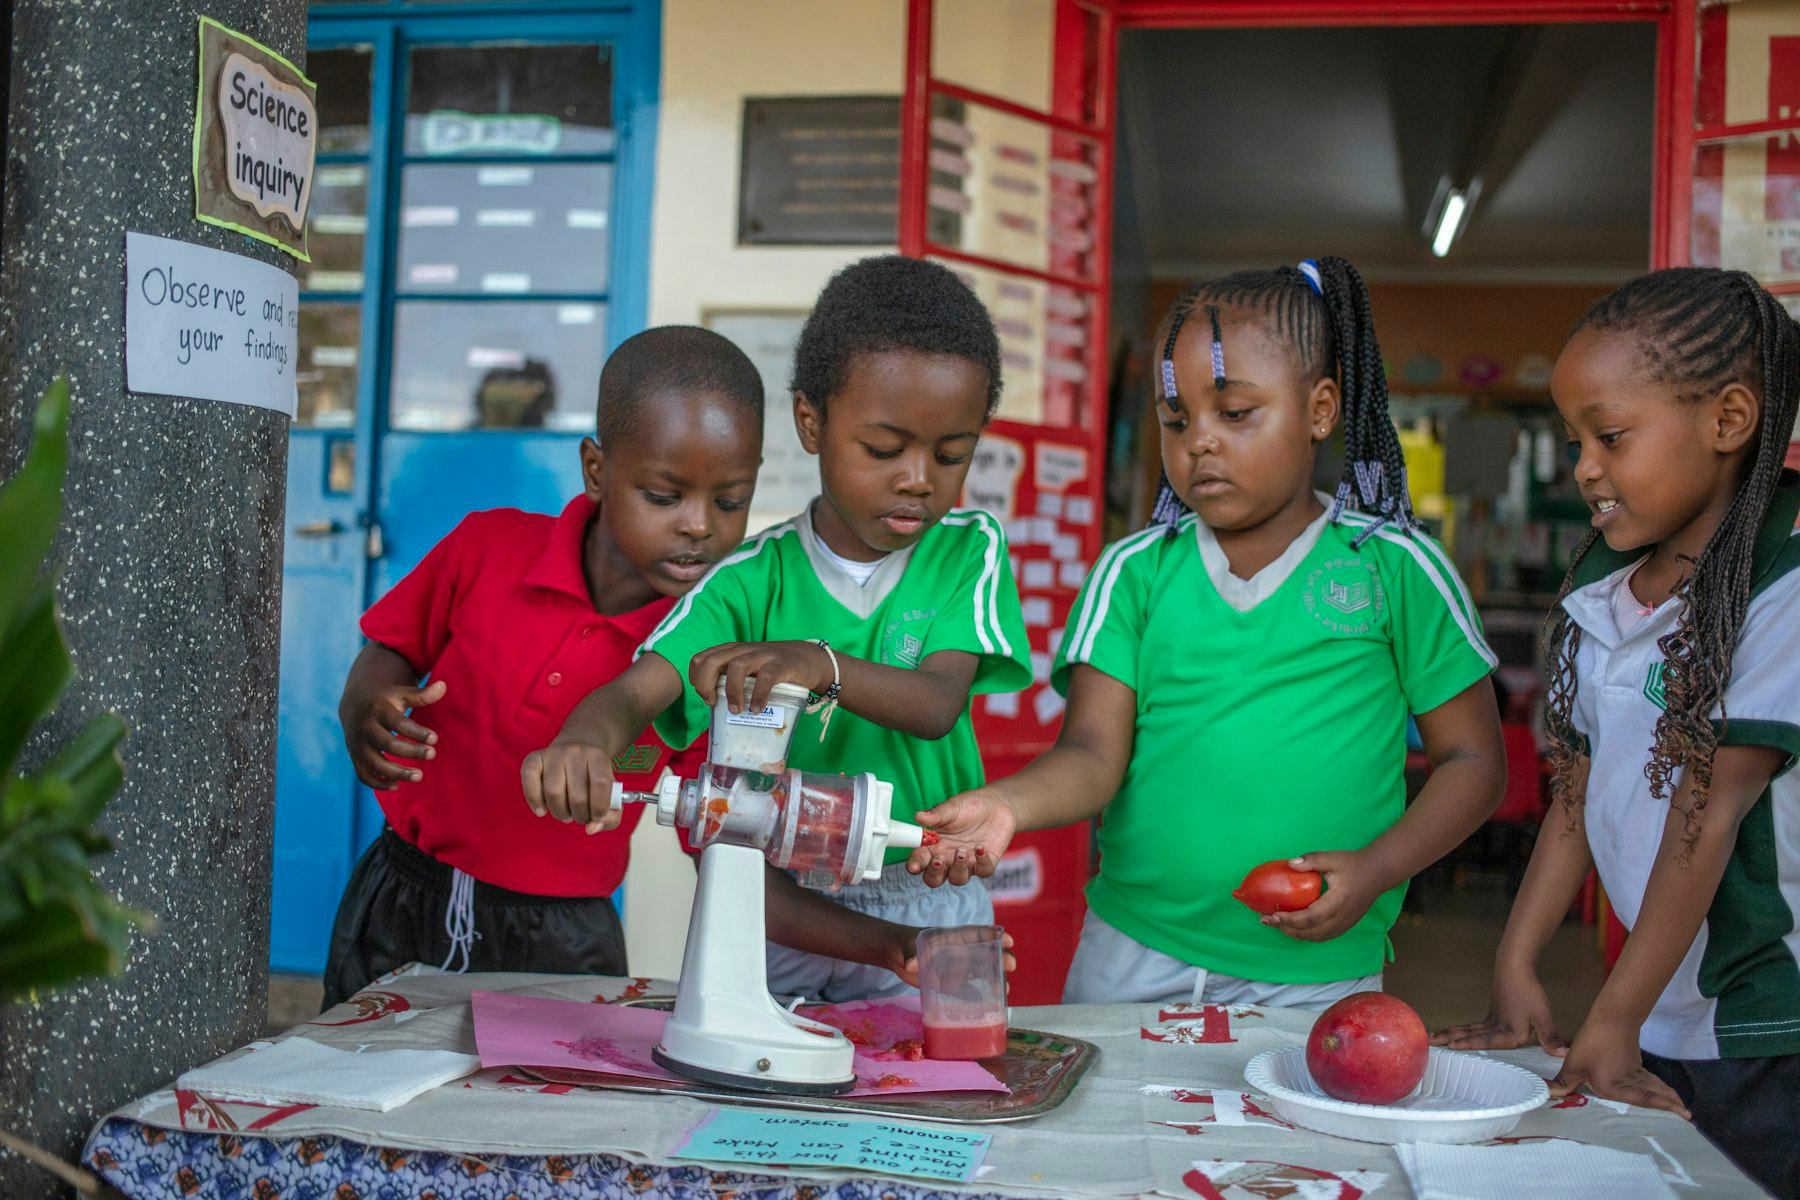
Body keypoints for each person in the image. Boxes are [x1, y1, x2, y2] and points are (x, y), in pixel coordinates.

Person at [912, 257, 1506, 1010]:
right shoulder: (1136, 572)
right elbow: (1094, 755)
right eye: (1175, 418)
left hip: (1314, 973)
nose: (1199, 442)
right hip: (1131, 953)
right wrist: (1007, 807)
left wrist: (1377, 868)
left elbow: (1475, 761)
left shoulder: (1394, 568)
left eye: (1235, 412)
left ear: (1320, 410)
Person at [324, 326, 923, 1007]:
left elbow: (729, 858)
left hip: (565, 940)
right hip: (401, 895)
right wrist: (365, 707)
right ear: (597, 470)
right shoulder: (485, 549)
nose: (700, 526)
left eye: (730, 501)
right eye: (665, 497)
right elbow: (387, 650)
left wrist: (887, 943)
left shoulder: (709, 665)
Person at [523, 256, 1031, 1001]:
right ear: (811, 423)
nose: (920, 477)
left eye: (952, 454)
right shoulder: (747, 580)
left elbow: (936, 705)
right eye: (885, 449)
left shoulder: (967, 551)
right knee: (753, 1090)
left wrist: (818, 662)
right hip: (776, 903)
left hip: (926, 895)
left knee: (933, 1098)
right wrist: (582, 740)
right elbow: (636, 693)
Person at [1434, 268, 1800, 1199]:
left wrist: (1611, 1017)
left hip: (1769, 1020)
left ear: (1728, 421)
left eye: (1611, 436)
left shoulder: (1785, 577)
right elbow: (1578, 791)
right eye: (1574, 441)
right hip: (1660, 1006)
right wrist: (1518, 963)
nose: (1584, 466)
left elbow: (1707, 810)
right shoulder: (1612, 574)